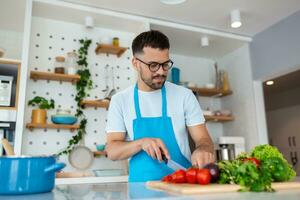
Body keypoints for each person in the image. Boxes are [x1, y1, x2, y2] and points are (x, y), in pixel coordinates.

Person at [105, 30, 214, 182]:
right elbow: (112, 151)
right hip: (141, 190)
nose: (161, 71)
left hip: (182, 185)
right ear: (136, 63)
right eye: (153, 65)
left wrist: (203, 149)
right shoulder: (120, 100)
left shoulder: (185, 96)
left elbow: (203, 139)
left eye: (165, 64)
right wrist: (141, 143)